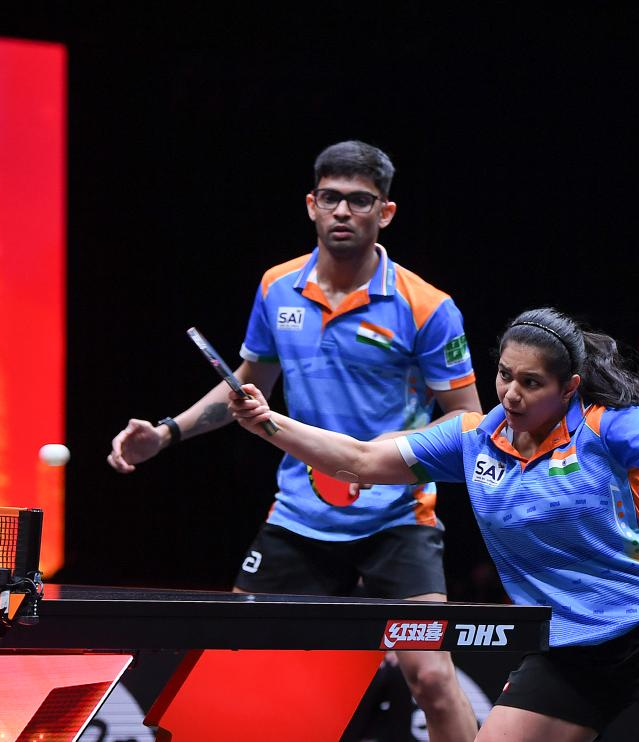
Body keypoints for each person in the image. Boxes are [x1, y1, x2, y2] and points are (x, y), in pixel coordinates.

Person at [227, 306, 639, 742]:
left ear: (569, 387)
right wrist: (269, 423)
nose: (512, 394)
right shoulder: (472, 438)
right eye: (504, 375)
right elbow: (360, 460)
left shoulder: (609, 426)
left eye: (531, 383)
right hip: (566, 649)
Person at [108, 141, 482, 741]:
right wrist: (167, 432)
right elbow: (248, 382)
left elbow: (467, 418)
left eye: (359, 200)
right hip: (299, 517)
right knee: (225, 660)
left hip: (397, 520)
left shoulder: (428, 307)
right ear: (311, 205)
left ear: (385, 212)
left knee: (434, 680)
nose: (343, 211)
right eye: (330, 198)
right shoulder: (277, 288)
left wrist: (388, 457)